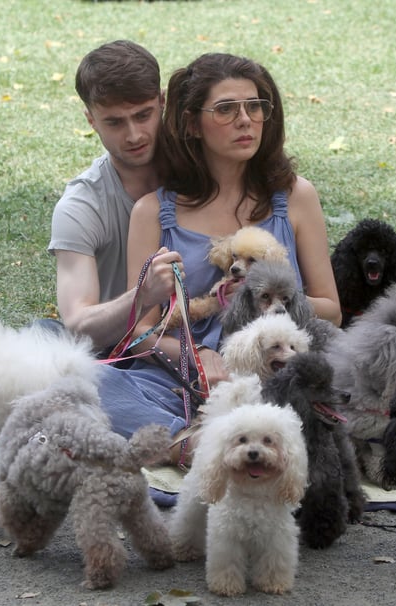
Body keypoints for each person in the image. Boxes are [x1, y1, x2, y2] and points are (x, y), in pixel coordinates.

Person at [95, 52, 341, 463]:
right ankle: (194, 443)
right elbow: (144, 330)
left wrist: (268, 308)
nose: (245, 120)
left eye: (255, 106)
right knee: (88, 380)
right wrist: (199, 357)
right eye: (226, 109)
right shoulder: (154, 213)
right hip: (184, 381)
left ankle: (226, 440)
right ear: (192, 123)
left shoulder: (296, 198)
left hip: (280, 367)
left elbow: (330, 309)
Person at [46, 40, 181, 352]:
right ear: (91, 121)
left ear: (161, 102)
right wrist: (143, 295)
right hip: (116, 352)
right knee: (46, 337)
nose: (134, 135)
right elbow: (78, 325)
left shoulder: (200, 171)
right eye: (115, 122)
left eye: (143, 115)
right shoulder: (81, 206)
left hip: (205, 336)